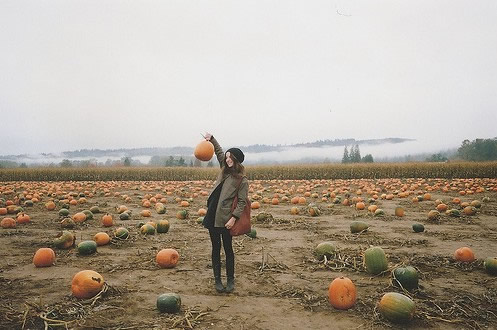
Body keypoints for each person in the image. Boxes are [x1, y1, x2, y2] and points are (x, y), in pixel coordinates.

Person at [202, 132, 249, 293]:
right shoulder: (223, 168)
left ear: (236, 160)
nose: (227, 159)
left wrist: (233, 218)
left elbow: (242, 202)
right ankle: (217, 280)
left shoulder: (241, 180)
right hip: (212, 215)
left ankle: (230, 280)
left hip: (226, 218)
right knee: (215, 248)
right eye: (227, 157)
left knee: (228, 249)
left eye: (230, 157)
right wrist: (212, 139)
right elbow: (219, 151)